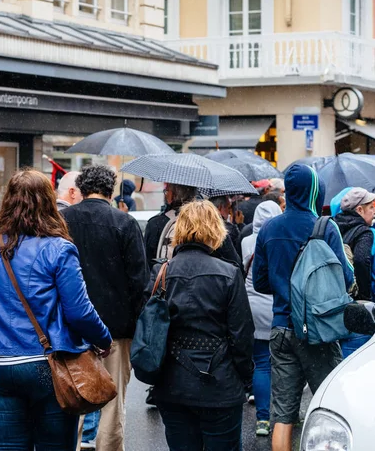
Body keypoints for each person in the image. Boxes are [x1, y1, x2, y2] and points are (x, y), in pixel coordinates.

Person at [0, 169, 112, 451]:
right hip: (47, 363)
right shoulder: (59, 249)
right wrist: (104, 338)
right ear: (48, 202)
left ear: (7, 202)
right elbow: (79, 311)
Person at [253, 164, 354, 451]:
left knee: (283, 414)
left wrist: (285, 286)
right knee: (330, 407)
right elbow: (346, 278)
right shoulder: (325, 227)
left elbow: (260, 282)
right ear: (314, 191)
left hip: (281, 328)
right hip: (318, 331)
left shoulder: (270, 228)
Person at [150, 200, 254, 451]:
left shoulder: (162, 273)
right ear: (215, 230)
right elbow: (241, 335)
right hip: (219, 384)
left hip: (172, 383)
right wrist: (244, 378)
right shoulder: (228, 273)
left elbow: (151, 328)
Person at [61, 165, 148, 451]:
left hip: (70, 328)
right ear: (111, 192)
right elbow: (139, 281)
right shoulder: (124, 223)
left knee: (70, 399)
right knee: (113, 405)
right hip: (116, 329)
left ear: (82, 189)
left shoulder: (62, 220)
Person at [242, 201, 282, 437]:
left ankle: (263, 420)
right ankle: (285, 414)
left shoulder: (246, 240)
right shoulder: (279, 238)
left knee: (261, 362)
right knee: (283, 363)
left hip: (253, 306)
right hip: (277, 304)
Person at [145, 183, 242, 271]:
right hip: (210, 284)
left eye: (167, 191)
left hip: (170, 284)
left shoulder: (156, 224)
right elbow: (235, 264)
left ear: (174, 195)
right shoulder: (211, 222)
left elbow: (147, 265)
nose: (165, 194)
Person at [333, 187, 375, 357]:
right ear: (359, 209)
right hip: (357, 306)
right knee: (357, 358)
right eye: (371, 206)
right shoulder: (363, 232)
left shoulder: (333, 227)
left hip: (334, 302)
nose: (374, 210)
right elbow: (361, 260)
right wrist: (364, 297)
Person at [236, 191, 285, 261]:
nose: (285, 210)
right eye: (284, 207)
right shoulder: (281, 239)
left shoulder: (246, 237)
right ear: (276, 209)